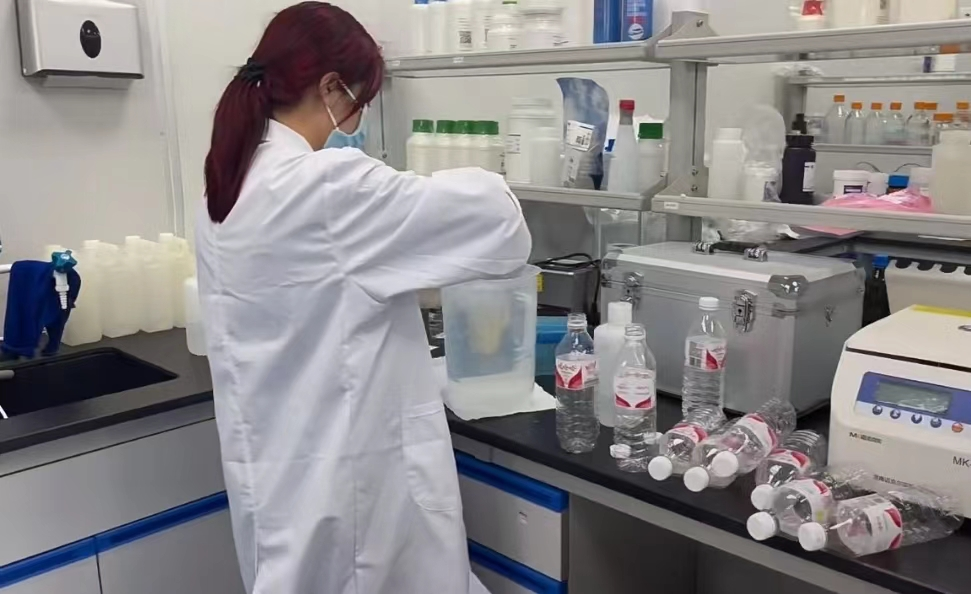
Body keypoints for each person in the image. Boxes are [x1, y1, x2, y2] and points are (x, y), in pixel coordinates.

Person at [196, 3, 531, 593]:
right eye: (359, 100)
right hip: (352, 497)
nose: (354, 118)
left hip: (280, 484)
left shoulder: (226, 187)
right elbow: (500, 223)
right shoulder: (328, 186)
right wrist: (474, 174)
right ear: (330, 87)